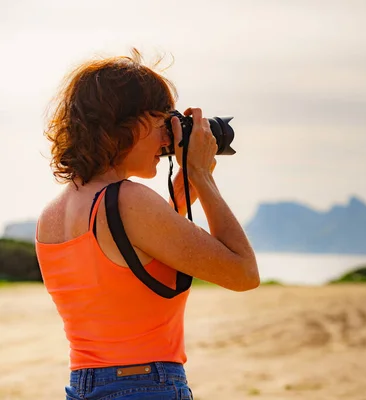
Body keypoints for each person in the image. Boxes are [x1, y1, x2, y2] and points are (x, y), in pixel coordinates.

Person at [35, 49, 260, 399]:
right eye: (162, 124)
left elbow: (124, 266)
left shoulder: (53, 214)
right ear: (132, 123)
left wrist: (180, 201)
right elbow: (244, 273)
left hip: (83, 386)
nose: (167, 140)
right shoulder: (130, 200)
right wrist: (201, 175)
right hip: (145, 385)